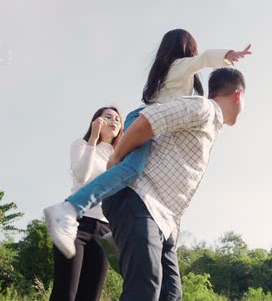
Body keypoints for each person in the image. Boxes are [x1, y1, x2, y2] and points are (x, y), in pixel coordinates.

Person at [44, 29, 251, 258]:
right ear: (186, 49)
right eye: (194, 49)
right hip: (144, 120)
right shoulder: (180, 66)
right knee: (132, 169)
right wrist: (228, 55)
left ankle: (116, 234)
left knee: (136, 176)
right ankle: (70, 208)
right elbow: (202, 60)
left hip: (148, 122)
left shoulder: (166, 72)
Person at [102, 67, 246, 300]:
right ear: (238, 95)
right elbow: (148, 118)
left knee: (170, 295)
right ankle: (125, 236)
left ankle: (124, 239)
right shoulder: (203, 108)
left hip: (166, 220)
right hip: (140, 200)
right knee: (143, 291)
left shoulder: (210, 126)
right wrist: (116, 158)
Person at [49, 107, 123, 301]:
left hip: (104, 230)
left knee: (91, 295)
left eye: (117, 119)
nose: (113, 120)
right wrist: (93, 138)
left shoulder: (122, 159)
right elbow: (82, 177)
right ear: (97, 121)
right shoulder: (82, 145)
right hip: (75, 222)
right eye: (108, 117)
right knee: (66, 293)